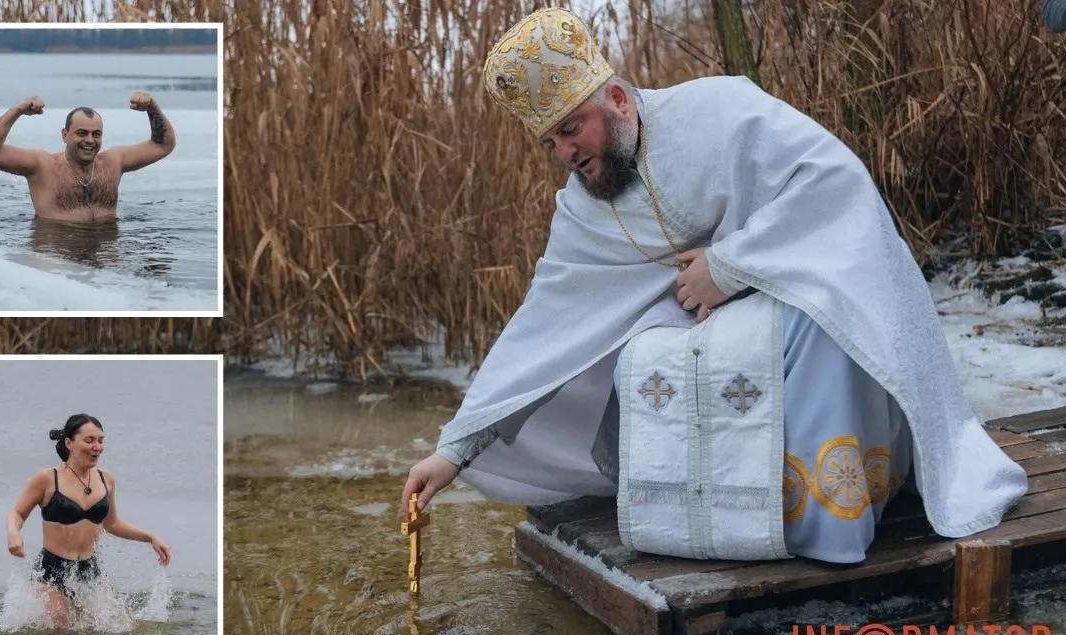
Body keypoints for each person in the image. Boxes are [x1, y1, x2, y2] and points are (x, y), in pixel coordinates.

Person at [401, 8, 1028, 564]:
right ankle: (711, 529)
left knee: (818, 321)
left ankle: (823, 524)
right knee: (640, 361)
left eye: (572, 128)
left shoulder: (720, 110)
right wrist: (454, 450)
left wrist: (727, 268)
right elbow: (544, 324)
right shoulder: (584, 210)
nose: (565, 151)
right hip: (700, 329)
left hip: (795, 298)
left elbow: (832, 183)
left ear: (616, 97)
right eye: (552, 141)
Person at [6, 413, 171, 628]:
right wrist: (13, 532)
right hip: (51, 570)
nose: (97, 447)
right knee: (62, 627)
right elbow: (18, 513)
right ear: (69, 443)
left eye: (101, 440)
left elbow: (112, 524)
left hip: (89, 569)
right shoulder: (47, 479)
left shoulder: (106, 479)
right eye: (89, 440)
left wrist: (150, 537)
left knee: (113, 626)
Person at [0, 91, 176, 223]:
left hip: (106, 258)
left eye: (96, 134)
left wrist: (152, 108)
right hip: (58, 258)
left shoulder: (113, 162)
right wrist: (17, 111)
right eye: (82, 133)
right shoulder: (42, 166)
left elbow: (163, 145)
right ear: (65, 135)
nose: (90, 140)